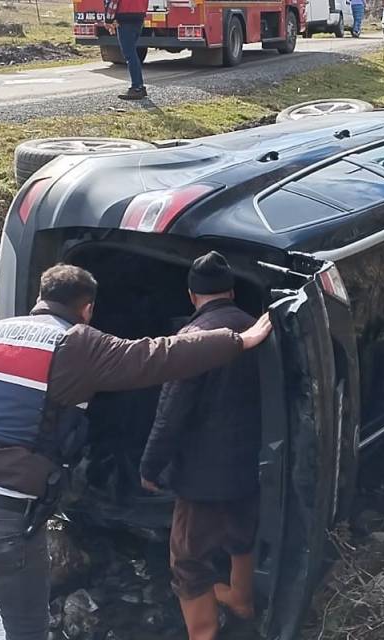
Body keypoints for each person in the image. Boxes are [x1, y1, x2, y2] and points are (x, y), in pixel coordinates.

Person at [0, 263, 272, 640]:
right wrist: (238, 340)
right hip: (3, 513)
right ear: (87, 309)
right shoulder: (76, 344)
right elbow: (159, 355)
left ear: (40, 297)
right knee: (27, 631)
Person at [139, 253, 262, 640]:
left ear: (192, 296)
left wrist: (150, 467)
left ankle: (203, 633)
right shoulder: (257, 328)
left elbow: (170, 413)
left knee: (188, 560)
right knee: (241, 533)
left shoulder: (190, 340)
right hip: (252, 462)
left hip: (201, 475)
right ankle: (241, 597)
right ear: (231, 292)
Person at [108, 0, 147, 100]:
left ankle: (136, 87)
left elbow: (113, 2)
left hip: (125, 18)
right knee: (132, 52)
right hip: (139, 17)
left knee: (129, 54)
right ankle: (139, 86)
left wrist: (109, 19)